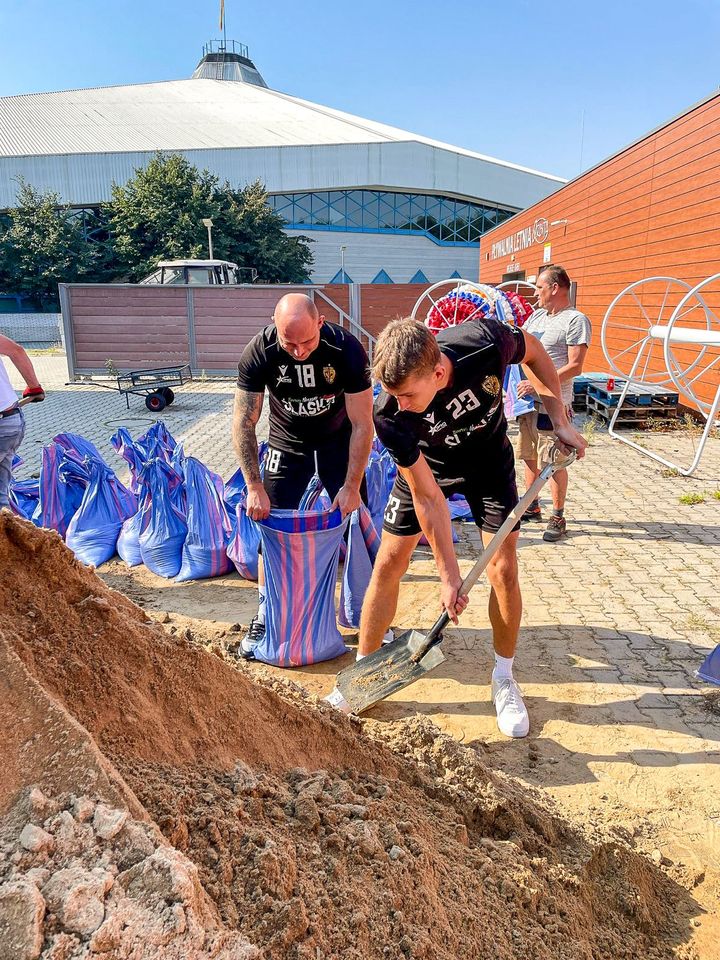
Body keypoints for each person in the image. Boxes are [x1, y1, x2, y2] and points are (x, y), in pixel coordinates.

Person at [325, 314, 587, 737]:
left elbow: (535, 352)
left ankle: (503, 677)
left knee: (503, 569)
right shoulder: (389, 414)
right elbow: (429, 498)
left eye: (408, 394)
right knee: (390, 561)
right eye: (393, 395)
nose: (400, 404)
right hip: (428, 468)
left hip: (488, 464)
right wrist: (449, 575)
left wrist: (558, 418)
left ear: (439, 371)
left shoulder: (485, 342)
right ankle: (363, 676)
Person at [232, 293, 374, 658]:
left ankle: (370, 615)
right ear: (275, 330)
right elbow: (244, 421)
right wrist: (253, 486)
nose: (298, 351)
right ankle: (266, 612)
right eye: (288, 343)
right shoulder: (259, 352)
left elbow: (362, 423)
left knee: (359, 521)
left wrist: (351, 485)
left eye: (306, 341)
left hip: (337, 441)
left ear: (320, 323)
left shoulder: (347, 349)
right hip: (287, 443)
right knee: (269, 525)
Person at [515, 264, 591, 541]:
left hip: (554, 406)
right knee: (528, 455)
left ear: (555, 288)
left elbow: (575, 366)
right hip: (526, 404)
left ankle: (557, 516)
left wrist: (537, 384)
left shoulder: (575, 320)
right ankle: (531, 504)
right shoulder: (536, 318)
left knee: (554, 460)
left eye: (539, 288)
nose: (536, 294)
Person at [0, 335, 45, 510]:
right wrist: (34, 387)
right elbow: (16, 350)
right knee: (1, 494)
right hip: (11, 422)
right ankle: (9, 534)